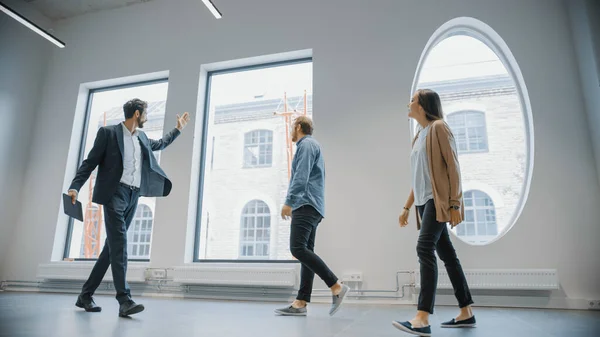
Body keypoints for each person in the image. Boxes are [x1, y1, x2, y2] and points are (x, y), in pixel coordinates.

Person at [68, 98, 190, 317]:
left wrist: (178, 129)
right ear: (136, 114)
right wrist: (75, 187)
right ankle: (124, 300)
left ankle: (85, 295)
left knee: (111, 249)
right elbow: (90, 162)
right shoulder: (108, 133)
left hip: (134, 195)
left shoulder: (141, 137)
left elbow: (160, 144)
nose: (146, 117)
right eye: (145, 114)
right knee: (121, 245)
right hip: (114, 194)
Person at [393, 89, 475, 336]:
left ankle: (422, 317)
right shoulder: (419, 136)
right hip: (423, 203)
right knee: (447, 255)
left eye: (413, 100)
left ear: (423, 106)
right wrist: (407, 207)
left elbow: (453, 166)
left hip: (436, 201)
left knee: (424, 248)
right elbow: (419, 177)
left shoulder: (439, 127)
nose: (409, 103)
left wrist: (455, 204)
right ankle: (466, 312)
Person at [274, 116, 350, 317]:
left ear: (298, 127)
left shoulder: (306, 145)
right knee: (306, 253)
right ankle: (301, 302)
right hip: (313, 205)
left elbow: (301, 175)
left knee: (297, 248)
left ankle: (335, 286)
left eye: (293, 127)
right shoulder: (311, 145)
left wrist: (289, 201)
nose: (292, 131)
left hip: (305, 203)